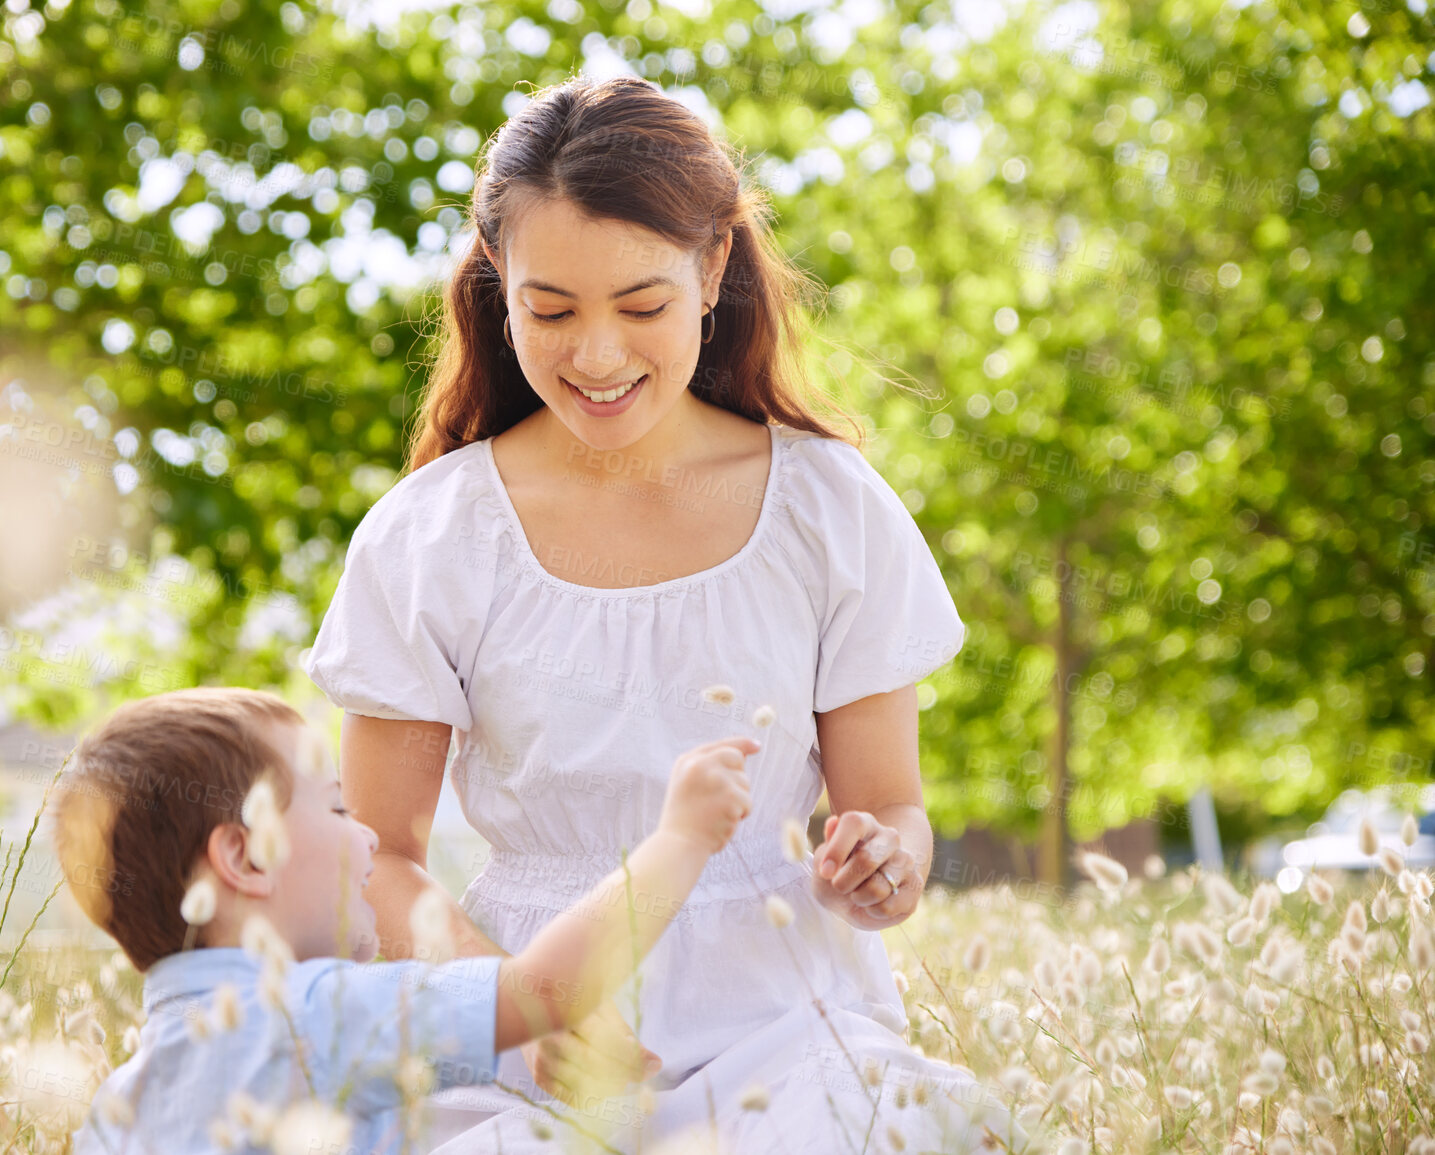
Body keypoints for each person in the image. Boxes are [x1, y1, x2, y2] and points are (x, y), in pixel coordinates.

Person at [302, 76, 1027, 1152]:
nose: (596, 356)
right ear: (498, 281)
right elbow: (383, 857)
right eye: (550, 310)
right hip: (528, 1028)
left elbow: (893, 811)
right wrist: (514, 1013)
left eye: (641, 306)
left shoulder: (828, 506)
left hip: (786, 1020)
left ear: (714, 267)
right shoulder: (431, 536)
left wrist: (889, 866)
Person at [51, 685, 759, 1155]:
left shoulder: (118, 1100)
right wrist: (681, 841)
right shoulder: (314, 1015)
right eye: (334, 807)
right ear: (246, 854)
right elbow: (546, 991)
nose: (365, 835)